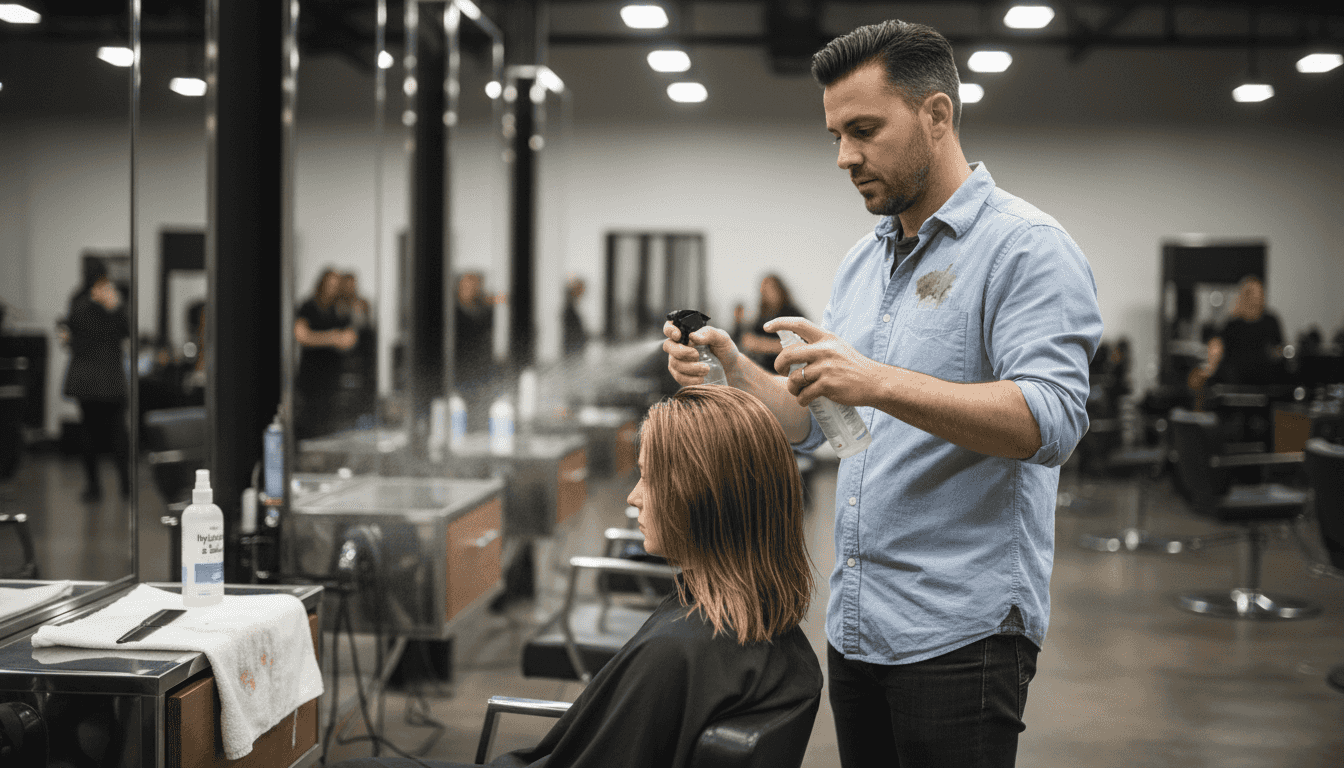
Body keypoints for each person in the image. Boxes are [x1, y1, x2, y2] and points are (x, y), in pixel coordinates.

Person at [664, 20, 1102, 768]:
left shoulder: (1026, 247)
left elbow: (1054, 421)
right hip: (859, 627)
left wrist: (878, 382)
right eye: (835, 134)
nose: (844, 156)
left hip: (962, 633)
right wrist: (736, 369)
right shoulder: (861, 266)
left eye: (864, 130)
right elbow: (825, 427)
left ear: (937, 116)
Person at [333, 386, 823, 768]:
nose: (632, 497)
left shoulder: (678, 651)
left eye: (648, 478)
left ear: (706, 499)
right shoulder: (768, 624)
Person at [62, 261, 132, 502]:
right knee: (118, 432)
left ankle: (94, 487)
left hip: (85, 378)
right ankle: (125, 486)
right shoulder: (112, 301)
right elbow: (127, 331)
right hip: (110, 378)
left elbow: (69, 338)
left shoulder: (77, 301)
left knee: (89, 432)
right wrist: (116, 307)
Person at [294, 269, 356, 439]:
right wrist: (332, 337)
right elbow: (301, 335)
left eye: (336, 286)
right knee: (310, 420)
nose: (332, 289)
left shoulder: (341, 310)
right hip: (311, 375)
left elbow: (350, 340)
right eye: (329, 285)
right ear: (321, 284)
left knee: (330, 423)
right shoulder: (308, 306)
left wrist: (322, 338)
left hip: (332, 376)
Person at [1214, 276, 1285, 386]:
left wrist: (1276, 353)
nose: (1260, 297)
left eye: (1261, 293)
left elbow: (1279, 348)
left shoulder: (1271, 321)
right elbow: (1220, 351)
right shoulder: (1232, 325)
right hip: (1237, 381)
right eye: (1255, 293)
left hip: (1266, 380)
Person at [738, 274, 807, 371]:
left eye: (768, 290)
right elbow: (749, 340)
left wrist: (761, 345)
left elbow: (799, 346)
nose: (765, 295)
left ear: (779, 290)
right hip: (765, 369)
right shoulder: (763, 316)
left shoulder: (793, 314)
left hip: (789, 371)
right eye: (763, 292)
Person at [562, 277, 588, 358]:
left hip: (576, 350)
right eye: (580, 289)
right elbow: (572, 334)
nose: (583, 292)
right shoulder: (569, 310)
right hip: (573, 352)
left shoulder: (573, 308)